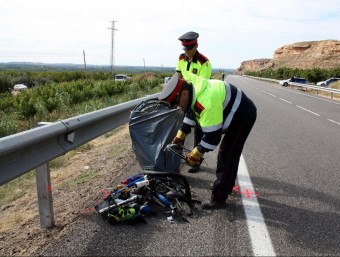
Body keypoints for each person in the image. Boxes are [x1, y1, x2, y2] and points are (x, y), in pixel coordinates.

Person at [158, 73, 257, 209]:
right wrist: (181, 135)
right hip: (234, 110)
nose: (177, 106)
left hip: (242, 115)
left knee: (227, 154)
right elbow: (191, 113)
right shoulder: (194, 90)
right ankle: (226, 185)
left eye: (176, 103)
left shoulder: (206, 101)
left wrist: (196, 153)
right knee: (230, 154)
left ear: (184, 94)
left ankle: (219, 198)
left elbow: (212, 137)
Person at [175, 31, 212, 173]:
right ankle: (176, 159)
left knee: (198, 131)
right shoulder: (181, 58)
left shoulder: (204, 63)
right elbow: (179, 77)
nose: (186, 52)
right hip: (183, 99)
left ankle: (196, 161)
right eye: (184, 49)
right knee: (182, 129)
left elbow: (202, 87)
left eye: (189, 49)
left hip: (198, 100)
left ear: (196, 46)